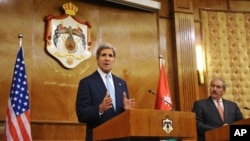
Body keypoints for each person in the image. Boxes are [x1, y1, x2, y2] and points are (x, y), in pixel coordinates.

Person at [75, 42, 135, 141]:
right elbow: (81, 114)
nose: (107, 58)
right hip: (98, 137)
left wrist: (126, 110)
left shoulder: (121, 83)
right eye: (103, 55)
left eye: (110, 56)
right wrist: (99, 109)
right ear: (97, 59)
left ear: (113, 60)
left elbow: (124, 117)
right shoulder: (86, 82)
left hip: (121, 137)